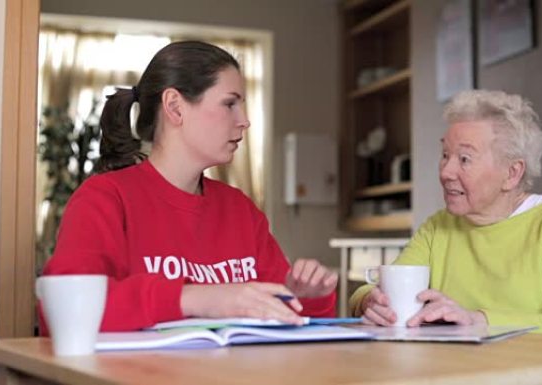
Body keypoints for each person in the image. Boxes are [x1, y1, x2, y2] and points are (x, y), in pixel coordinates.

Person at [41, 41, 337, 333]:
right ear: (175, 107)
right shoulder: (104, 198)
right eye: (229, 104)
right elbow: (66, 310)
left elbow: (285, 313)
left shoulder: (239, 208)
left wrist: (307, 296)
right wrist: (193, 298)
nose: (244, 121)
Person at [349, 90, 542, 338]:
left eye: (465, 159)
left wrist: (477, 320)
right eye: (445, 155)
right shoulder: (439, 226)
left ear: (512, 173)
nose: (446, 172)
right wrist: (370, 302)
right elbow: (384, 290)